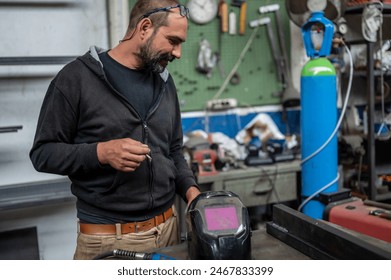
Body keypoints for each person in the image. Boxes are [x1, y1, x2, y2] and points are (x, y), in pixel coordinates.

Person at [30, 0, 200, 260]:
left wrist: (192, 191)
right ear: (145, 27)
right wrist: (100, 153)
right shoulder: (75, 79)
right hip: (107, 239)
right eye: (172, 41)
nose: (177, 53)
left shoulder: (165, 82)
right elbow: (43, 154)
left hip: (167, 231)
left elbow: (173, 149)